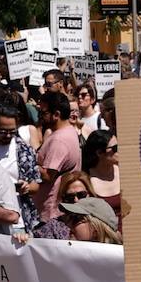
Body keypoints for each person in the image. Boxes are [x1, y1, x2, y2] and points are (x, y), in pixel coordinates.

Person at [28, 92, 81, 223]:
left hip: (51, 212)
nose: (40, 116)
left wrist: (28, 160)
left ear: (56, 114)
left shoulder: (59, 140)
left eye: (44, 113)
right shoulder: (68, 131)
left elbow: (47, 175)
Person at [81, 129, 122, 225]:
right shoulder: (86, 180)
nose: (119, 150)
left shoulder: (125, 173)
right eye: (115, 148)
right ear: (99, 153)